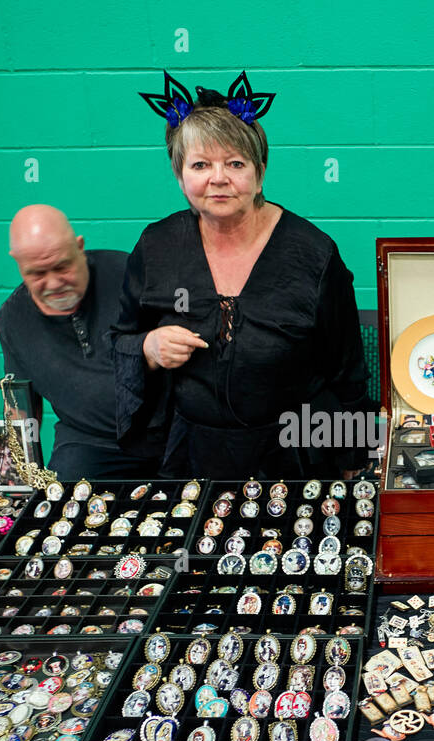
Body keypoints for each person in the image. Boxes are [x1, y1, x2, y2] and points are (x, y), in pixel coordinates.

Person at [109, 70, 369, 479]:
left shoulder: (314, 254)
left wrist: (353, 463)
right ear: (179, 176)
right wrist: (149, 347)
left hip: (295, 455)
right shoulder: (156, 246)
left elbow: (347, 373)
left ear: (259, 171)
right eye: (200, 164)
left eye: (235, 163)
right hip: (190, 457)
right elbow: (120, 341)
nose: (218, 178)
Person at [0, 205, 163, 479]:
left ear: (80, 248)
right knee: (58, 502)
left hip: (164, 431)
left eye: (62, 266)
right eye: (37, 274)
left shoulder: (132, 275)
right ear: (18, 263)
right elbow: (21, 405)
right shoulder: (12, 319)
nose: (53, 283)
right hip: (88, 442)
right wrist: (16, 474)